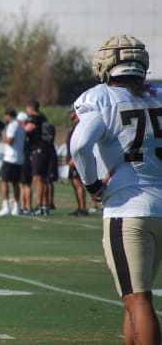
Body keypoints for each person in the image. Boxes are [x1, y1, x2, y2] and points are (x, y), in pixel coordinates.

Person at [70, 34, 162, 345]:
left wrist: (91, 183)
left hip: (128, 209)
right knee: (135, 297)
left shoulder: (100, 98)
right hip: (160, 207)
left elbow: (80, 144)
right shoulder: (159, 95)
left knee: (138, 301)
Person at [0, 108, 25, 217]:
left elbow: (9, 141)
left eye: (5, 116)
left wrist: (3, 133)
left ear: (8, 115)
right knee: (15, 183)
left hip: (10, 158)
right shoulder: (21, 126)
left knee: (3, 181)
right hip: (19, 158)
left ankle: (6, 207)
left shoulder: (12, 125)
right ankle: (16, 207)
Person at [24, 99, 50, 216]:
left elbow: (27, 129)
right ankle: (44, 205)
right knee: (42, 179)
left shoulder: (34, 119)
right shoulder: (43, 117)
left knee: (37, 179)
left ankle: (40, 205)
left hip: (38, 150)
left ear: (30, 108)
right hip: (45, 150)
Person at [66, 108, 88, 217]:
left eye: (71, 112)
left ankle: (83, 208)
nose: (70, 114)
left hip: (77, 160)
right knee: (75, 183)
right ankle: (80, 207)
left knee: (78, 183)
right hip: (74, 159)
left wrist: (74, 158)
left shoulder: (79, 125)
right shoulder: (76, 125)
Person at [16, 111, 32, 215]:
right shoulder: (26, 131)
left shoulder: (25, 131)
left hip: (25, 158)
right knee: (22, 184)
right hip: (25, 158)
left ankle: (27, 207)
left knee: (25, 184)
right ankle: (23, 206)